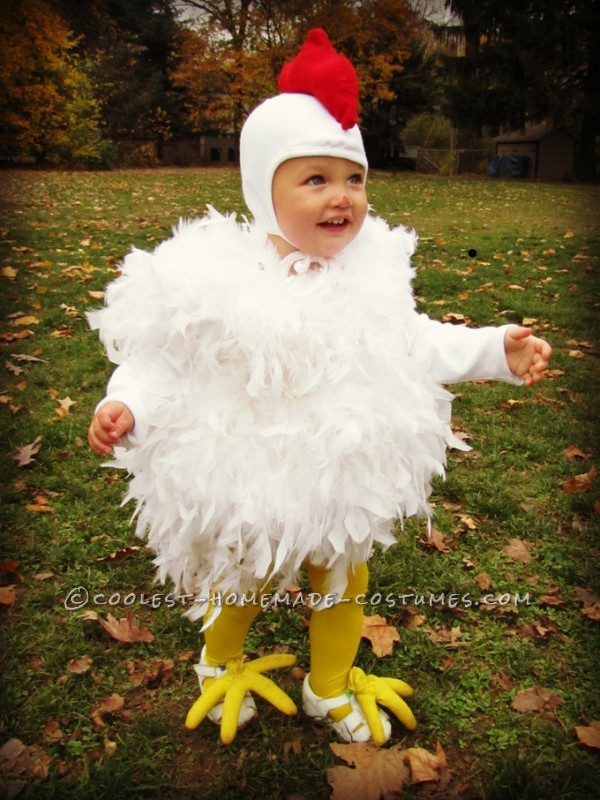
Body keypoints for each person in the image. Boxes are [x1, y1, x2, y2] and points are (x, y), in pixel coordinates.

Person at [88, 29, 552, 747]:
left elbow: (413, 340)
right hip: (249, 472)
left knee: (342, 579)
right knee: (240, 582)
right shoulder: (213, 281)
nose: (342, 198)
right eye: (315, 180)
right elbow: (163, 358)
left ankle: (327, 685)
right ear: (262, 190)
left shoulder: (371, 273)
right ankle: (220, 665)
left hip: (340, 470)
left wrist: (494, 348)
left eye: (355, 179)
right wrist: (127, 404)